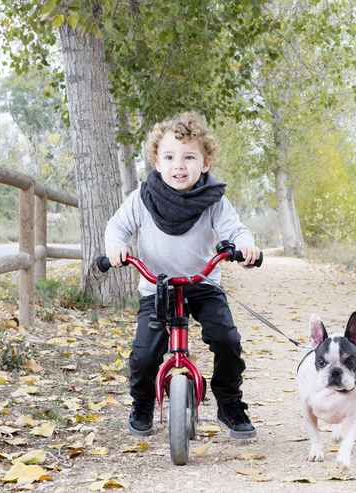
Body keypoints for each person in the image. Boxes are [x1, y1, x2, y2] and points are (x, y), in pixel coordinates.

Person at [104, 111, 260, 439]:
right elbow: (117, 227)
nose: (179, 165)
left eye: (189, 157)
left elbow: (235, 228)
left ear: (205, 163)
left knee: (227, 340)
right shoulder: (142, 200)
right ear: (157, 163)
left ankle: (230, 403)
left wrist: (245, 246)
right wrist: (116, 246)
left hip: (202, 284)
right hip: (157, 287)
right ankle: (143, 402)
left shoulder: (214, 201)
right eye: (170, 157)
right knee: (145, 354)